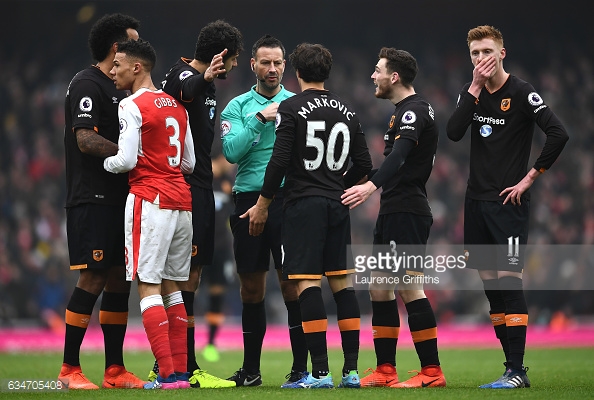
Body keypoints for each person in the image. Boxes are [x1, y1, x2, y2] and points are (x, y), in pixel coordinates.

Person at [242, 42, 372, 389]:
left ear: (296, 72)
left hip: (302, 205)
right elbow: (365, 165)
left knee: (307, 283)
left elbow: (279, 161)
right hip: (336, 204)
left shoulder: (291, 107)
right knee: (343, 285)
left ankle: (319, 373)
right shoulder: (347, 110)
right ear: (327, 73)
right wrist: (336, 184)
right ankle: (352, 371)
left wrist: (263, 203)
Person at [446, 25, 568, 389]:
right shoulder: (473, 94)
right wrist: (473, 88)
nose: (480, 59)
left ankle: (517, 369)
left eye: (486, 51)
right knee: (491, 289)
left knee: (509, 283)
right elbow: (453, 132)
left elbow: (559, 133)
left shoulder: (521, 92)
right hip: (476, 203)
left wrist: (530, 178)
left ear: (502, 53)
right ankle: (510, 367)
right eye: (474, 54)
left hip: (508, 205)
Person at [341, 47, 446, 388]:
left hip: (408, 209)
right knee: (380, 287)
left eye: (378, 70)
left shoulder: (413, 111)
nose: (373, 76)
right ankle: (386, 369)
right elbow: (392, 160)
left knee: (408, 285)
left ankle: (432, 372)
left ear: (394, 76)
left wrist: (370, 186)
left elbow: (399, 156)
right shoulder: (403, 111)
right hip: (394, 208)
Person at [153, 19, 244, 388]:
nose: (235, 66)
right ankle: (182, 366)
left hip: (199, 187)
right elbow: (187, 86)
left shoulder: (198, 81)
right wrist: (205, 77)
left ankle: (177, 363)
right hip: (187, 188)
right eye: (234, 59)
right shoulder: (182, 76)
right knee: (182, 278)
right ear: (220, 56)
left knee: (189, 277)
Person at [59, 12, 145, 390]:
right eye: (132, 42)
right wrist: (132, 155)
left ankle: (114, 370)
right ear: (116, 48)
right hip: (91, 199)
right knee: (92, 277)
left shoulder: (121, 90)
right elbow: (85, 139)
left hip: (120, 199)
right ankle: (68, 370)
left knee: (118, 282)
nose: (138, 48)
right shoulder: (87, 83)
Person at [104, 38, 195, 390]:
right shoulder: (177, 106)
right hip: (182, 203)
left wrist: (106, 163)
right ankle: (182, 374)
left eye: (119, 64)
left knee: (148, 283)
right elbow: (189, 163)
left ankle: (169, 377)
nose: (114, 71)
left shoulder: (130, 105)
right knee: (173, 287)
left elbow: (126, 160)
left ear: (137, 67)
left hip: (150, 198)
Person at [220, 34, 308, 388]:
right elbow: (231, 152)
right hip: (247, 200)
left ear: (285, 66)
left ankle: (301, 370)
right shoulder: (237, 107)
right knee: (251, 290)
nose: (272, 69)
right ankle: (251, 370)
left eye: (278, 63)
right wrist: (259, 117)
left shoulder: (299, 104)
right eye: (265, 63)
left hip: (289, 201)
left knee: (292, 287)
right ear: (253, 65)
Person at [200, 153, 236, 363]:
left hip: (220, 247)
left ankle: (211, 344)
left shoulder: (228, 183)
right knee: (187, 292)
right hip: (196, 245)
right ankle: (181, 343)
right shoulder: (201, 178)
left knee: (217, 293)